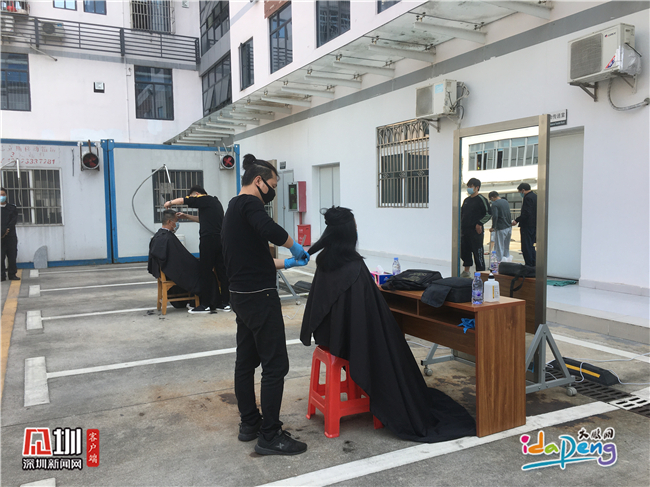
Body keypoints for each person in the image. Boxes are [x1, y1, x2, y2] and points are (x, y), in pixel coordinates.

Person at [301, 206, 476, 442]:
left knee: (392, 338)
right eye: (355, 227)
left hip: (330, 335)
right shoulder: (353, 267)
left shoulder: (325, 261)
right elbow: (368, 319)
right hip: (347, 340)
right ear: (349, 233)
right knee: (393, 346)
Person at [222, 153, 310, 456]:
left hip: (241, 295)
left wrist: (288, 262)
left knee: (246, 361)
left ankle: (250, 423)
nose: (273, 191)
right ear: (258, 181)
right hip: (260, 297)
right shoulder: (250, 204)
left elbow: (254, 259)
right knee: (276, 365)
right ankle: (270, 436)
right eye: (272, 185)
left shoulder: (233, 208)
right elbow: (269, 228)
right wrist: (294, 245)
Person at [164, 186, 230, 314]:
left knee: (205, 272)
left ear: (197, 194)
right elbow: (202, 220)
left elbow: (184, 200)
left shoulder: (204, 199)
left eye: (193, 197)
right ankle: (225, 303)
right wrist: (186, 216)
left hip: (208, 241)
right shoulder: (214, 203)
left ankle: (205, 304)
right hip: (220, 241)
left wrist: (170, 203)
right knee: (222, 272)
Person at [147, 210, 201, 297]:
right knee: (203, 273)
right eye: (176, 221)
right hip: (171, 273)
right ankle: (203, 300)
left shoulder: (159, 236)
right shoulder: (167, 238)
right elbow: (178, 260)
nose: (177, 223)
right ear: (169, 222)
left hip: (166, 271)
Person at [460, 178, 491, 278]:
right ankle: (466, 271)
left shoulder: (481, 199)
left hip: (476, 231)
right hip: (465, 231)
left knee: (478, 252)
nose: (469, 188)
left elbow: (488, 214)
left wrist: (479, 224)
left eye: (471, 186)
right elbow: (462, 214)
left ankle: (481, 273)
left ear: (477, 187)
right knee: (464, 251)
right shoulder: (466, 200)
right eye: (468, 186)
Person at [512, 182, 537, 267]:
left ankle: (529, 264)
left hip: (527, 225)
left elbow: (526, 213)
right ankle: (534, 263)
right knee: (531, 245)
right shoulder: (535, 196)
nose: (520, 194)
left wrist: (517, 220)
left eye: (520, 192)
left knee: (526, 246)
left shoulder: (528, 198)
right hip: (534, 225)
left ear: (523, 190)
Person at [1, 187, 20, 282]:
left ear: (6, 195)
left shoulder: (12, 208)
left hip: (10, 236)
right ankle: (1, 275)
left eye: (3, 195)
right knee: (1, 257)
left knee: (12, 256)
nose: (1, 197)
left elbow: (13, 220)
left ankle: (12, 274)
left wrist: (6, 230)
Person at [488, 191, 512, 263]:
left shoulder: (495, 204)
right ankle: (506, 261)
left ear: (492, 197)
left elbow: (495, 216)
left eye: (491, 199)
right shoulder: (505, 201)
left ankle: (499, 263)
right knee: (506, 246)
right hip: (508, 227)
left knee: (499, 247)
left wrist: (493, 227)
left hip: (501, 227)